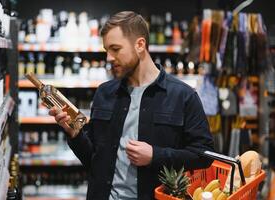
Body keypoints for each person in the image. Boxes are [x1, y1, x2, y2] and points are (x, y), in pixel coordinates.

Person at [49, 11, 214, 200]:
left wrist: (155, 155)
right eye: (106, 50)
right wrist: (75, 135)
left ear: (140, 45)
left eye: (115, 49)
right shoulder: (105, 93)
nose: (109, 58)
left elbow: (204, 156)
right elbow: (94, 162)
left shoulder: (183, 96)